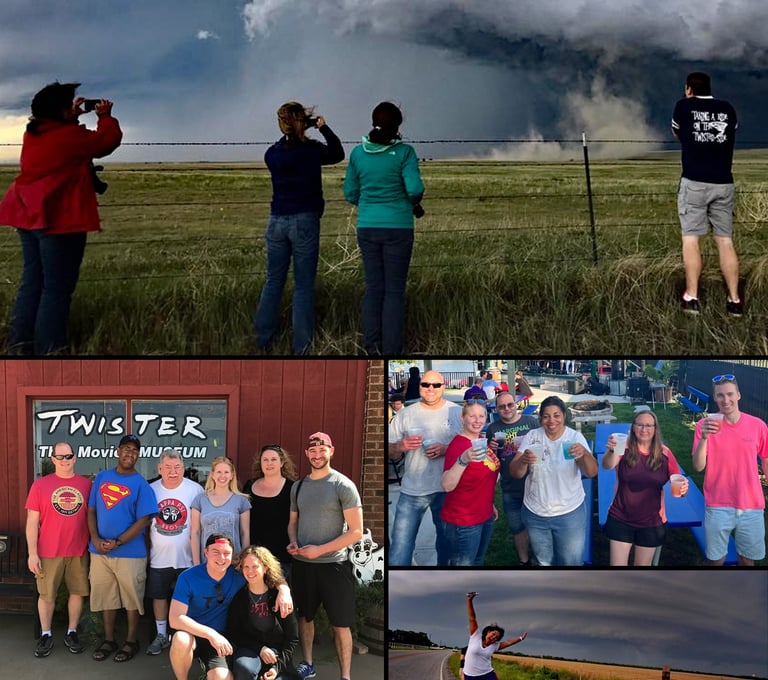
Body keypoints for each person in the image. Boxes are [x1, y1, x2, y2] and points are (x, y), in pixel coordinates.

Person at [0, 81, 122, 355]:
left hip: (27, 214)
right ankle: (50, 351)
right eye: (70, 103)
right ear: (60, 111)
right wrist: (105, 117)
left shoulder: (34, 132)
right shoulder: (69, 137)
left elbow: (63, 139)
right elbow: (105, 142)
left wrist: (70, 117)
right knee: (57, 288)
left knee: (33, 281)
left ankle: (19, 346)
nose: (76, 105)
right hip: (58, 220)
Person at [255, 102, 344, 355]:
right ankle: (302, 347)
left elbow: (289, 146)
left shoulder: (272, 154)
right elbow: (337, 154)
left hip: (276, 221)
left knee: (273, 280)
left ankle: (263, 339)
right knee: (303, 285)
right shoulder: (311, 151)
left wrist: (297, 128)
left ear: (281, 123)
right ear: (303, 121)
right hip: (305, 220)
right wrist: (322, 128)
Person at [343, 101, 424, 355]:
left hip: (367, 226)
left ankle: (371, 346)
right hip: (398, 227)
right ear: (398, 126)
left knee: (373, 287)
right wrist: (408, 203)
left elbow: (350, 192)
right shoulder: (405, 153)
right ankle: (391, 349)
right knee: (394, 292)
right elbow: (415, 190)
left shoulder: (357, 153)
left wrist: (369, 205)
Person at [287, 432, 363, 680]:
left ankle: (345, 676)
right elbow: (292, 523)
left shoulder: (343, 485)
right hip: (303, 566)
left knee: (340, 624)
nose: (317, 455)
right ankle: (308, 663)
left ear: (332, 451)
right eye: (313, 451)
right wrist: (294, 541)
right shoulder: (298, 487)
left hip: (334, 566)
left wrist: (319, 550)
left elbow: (356, 532)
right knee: (305, 617)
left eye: (323, 450)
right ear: (307, 454)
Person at [169, 533, 294, 680]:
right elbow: (175, 619)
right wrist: (211, 634)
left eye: (226, 553)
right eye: (216, 552)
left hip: (222, 639)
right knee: (180, 639)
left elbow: (269, 574)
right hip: (194, 634)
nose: (221, 558)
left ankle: (208, 670)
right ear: (206, 552)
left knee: (222, 677)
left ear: (232, 556)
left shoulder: (239, 574)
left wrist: (284, 590)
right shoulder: (188, 577)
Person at [672, 72, 741, 316]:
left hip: (694, 183)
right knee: (725, 240)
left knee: (691, 239)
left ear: (688, 89)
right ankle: (734, 301)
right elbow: (731, 132)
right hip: (723, 182)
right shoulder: (728, 109)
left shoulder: (683, 106)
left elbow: (677, 133)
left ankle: (692, 297)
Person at [87, 433, 157, 662]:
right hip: (100, 552)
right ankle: (109, 639)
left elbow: (143, 521)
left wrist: (117, 542)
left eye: (135, 450)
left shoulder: (141, 484)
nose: (130, 453)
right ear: (117, 451)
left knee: (131, 599)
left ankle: (131, 641)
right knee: (106, 598)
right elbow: (91, 510)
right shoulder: (102, 477)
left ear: (138, 455)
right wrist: (96, 539)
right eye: (126, 448)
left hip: (130, 552)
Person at [509, 396, 598, 566]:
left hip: (569, 512)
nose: (551, 421)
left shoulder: (575, 438)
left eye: (556, 415)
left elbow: (592, 472)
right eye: (546, 416)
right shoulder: (532, 437)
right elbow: (515, 473)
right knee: (544, 561)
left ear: (564, 416)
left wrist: (584, 454)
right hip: (536, 513)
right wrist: (524, 460)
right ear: (541, 418)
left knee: (570, 562)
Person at [388, 370, 462, 566]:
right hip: (413, 489)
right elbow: (389, 449)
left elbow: (468, 446)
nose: (430, 389)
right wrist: (399, 447)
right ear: (419, 386)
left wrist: (446, 449)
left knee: (448, 545)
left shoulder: (456, 412)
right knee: (400, 547)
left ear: (443, 387)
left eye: (436, 385)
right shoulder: (406, 414)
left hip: (446, 488)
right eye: (425, 384)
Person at [692, 374, 768, 565]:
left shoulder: (758, 425)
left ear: (738, 395)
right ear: (715, 397)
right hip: (718, 503)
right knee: (716, 560)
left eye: (729, 394)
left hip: (751, 504)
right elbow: (698, 466)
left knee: (746, 559)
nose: (725, 400)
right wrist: (704, 439)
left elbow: (766, 459)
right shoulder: (704, 426)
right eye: (720, 395)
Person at [25, 442, 92, 657]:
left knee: (77, 592)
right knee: (46, 594)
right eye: (60, 457)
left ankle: (71, 632)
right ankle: (46, 634)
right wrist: (32, 553)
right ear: (52, 459)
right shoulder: (40, 485)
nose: (65, 460)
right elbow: (31, 522)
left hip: (78, 549)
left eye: (68, 456)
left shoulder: (86, 485)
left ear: (75, 458)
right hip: (48, 551)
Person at [602, 411, 688, 566]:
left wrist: (683, 489)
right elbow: (607, 465)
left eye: (648, 425)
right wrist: (611, 451)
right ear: (633, 428)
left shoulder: (665, 453)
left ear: (655, 429)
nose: (644, 429)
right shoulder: (623, 447)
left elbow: (679, 481)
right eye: (639, 425)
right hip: (620, 516)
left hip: (652, 521)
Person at [146, 449, 204, 655]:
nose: (173, 471)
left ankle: (188, 637)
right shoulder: (150, 490)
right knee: (159, 596)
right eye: (168, 467)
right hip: (158, 557)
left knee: (189, 597)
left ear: (183, 468)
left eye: (177, 467)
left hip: (188, 557)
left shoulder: (195, 490)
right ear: (159, 469)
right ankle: (161, 635)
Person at [440, 401, 501, 566]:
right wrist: (463, 460)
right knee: (462, 566)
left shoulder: (480, 440)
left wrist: (490, 504)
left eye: (481, 416)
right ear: (463, 418)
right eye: (472, 416)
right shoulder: (458, 445)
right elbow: (446, 485)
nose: (477, 420)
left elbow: (484, 477)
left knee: (477, 562)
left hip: (484, 514)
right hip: (464, 520)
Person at [226, 545, 299, 680]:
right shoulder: (239, 598)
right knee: (244, 668)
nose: (250, 571)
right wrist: (260, 648)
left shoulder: (280, 597)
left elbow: (292, 638)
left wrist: (276, 668)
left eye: (255, 566)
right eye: (246, 567)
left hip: (277, 652)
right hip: (250, 649)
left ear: (265, 568)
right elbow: (234, 633)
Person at [485, 393, 539, 566]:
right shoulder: (493, 428)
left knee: (538, 527)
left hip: (535, 484)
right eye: (501, 406)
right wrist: (491, 450)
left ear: (516, 404)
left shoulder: (531, 422)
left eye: (510, 405)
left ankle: (541, 560)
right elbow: (491, 461)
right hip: (510, 487)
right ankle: (524, 561)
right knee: (517, 528)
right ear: (497, 409)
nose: (506, 409)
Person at [242, 445, 297, 577]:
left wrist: (294, 543)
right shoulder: (249, 485)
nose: (269, 463)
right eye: (265, 460)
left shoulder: (292, 488)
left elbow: (293, 523)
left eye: (273, 459)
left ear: (282, 462)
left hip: (282, 558)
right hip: (255, 557)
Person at [191, 456, 251, 564]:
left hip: (233, 562)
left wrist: (244, 561)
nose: (222, 476)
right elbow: (195, 532)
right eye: (219, 472)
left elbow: (244, 533)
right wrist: (196, 563)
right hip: (207, 562)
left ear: (232, 475)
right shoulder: (200, 500)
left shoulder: (241, 501)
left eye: (226, 472)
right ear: (212, 474)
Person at [463, 592, 527, 680]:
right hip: (470, 675)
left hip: (486, 674)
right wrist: (469, 600)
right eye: (493, 634)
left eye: (496, 637)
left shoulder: (495, 646)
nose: (494, 638)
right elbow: (472, 618)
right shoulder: (475, 636)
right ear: (488, 632)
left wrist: (520, 638)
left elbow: (508, 643)